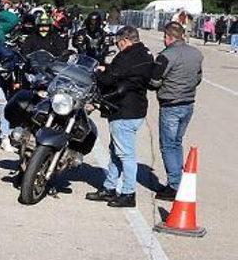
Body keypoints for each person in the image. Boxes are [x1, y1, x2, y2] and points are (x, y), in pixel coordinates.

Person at [87, 26, 155, 208]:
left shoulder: (126, 56)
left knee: (126, 155)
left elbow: (108, 79)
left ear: (125, 41)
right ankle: (109, 187)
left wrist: (100, 72)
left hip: (124, 110)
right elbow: (128, 74)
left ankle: (128, 193)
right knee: (116, 151)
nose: (117, 46)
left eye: (118, 43)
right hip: (137, 108)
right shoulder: (146, 53)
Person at [154, 21, 203, 199]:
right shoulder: (196, 53)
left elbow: (154, 81)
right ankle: (178, 179)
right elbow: (198, 78)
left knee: (168, 145)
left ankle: (175, 185)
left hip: (171, 104)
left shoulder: (166, 55)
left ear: (167, 37)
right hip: (188, 103)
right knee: (176, 143)